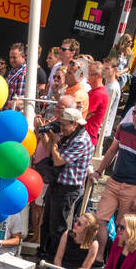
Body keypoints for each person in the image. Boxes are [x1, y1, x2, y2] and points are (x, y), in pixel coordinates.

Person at [42, 106, 95, 259]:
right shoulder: (68, 135)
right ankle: (44, 253)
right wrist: (45, 134)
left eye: (64, 125)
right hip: (57, 184)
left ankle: (53, 258)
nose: (61, 128)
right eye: (61, 124)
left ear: (75, 124)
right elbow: (50, 153)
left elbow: (58, 161)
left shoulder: (81, 140)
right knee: (46, 223)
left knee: (57, 226)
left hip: (67, 189)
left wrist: (53, 139)